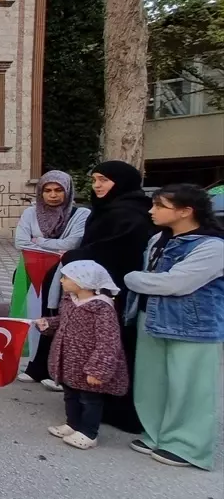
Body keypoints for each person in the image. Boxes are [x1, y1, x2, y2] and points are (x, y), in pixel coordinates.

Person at [124, 184, 224, 469]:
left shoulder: (212, 246)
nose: (151, 211)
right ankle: (155, 433)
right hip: (151, 317)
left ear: (185, 211)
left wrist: (131, 278)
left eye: (159, 206)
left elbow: (175, 283)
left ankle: (188, 445)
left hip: (193, 326)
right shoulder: (159, 238)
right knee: (151, 383)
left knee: (190, 386)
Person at [61, 160, 154, 432]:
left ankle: (117, 409)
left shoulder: (132, 213)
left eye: (104, 180)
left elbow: (118, 251)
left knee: (112, 347)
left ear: (122, 181)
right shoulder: (105, 210)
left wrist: (73, 257)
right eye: (94, 180)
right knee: (90, 346)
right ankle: (90, 402)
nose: (97, 186)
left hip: (118, 292)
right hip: (91, 288)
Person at [36, 260, 128, 450]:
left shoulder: (102, 309)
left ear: (83, 281)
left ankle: (88, 432)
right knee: (70, 394)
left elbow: (108, 342)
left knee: (90, 399)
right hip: (69, 362)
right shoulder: (70, 300)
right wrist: (49, 324)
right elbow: (63, 321)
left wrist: (98, 369)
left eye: (66, 277)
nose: (61, 281)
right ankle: (73, 424)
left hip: (87, 364)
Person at [14, 170, 91, 386]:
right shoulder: (31, 213)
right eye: (47, 190)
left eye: (58, 190)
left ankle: (55, 371)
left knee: (57, 317)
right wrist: (53, 247)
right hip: (33, 272)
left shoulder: (80, 215)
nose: (53, 195)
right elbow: (20, 242)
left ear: (67, 191)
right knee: (36, 315)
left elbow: (72, 244)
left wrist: (38, 241)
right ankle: (36, 366)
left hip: (65, 274)